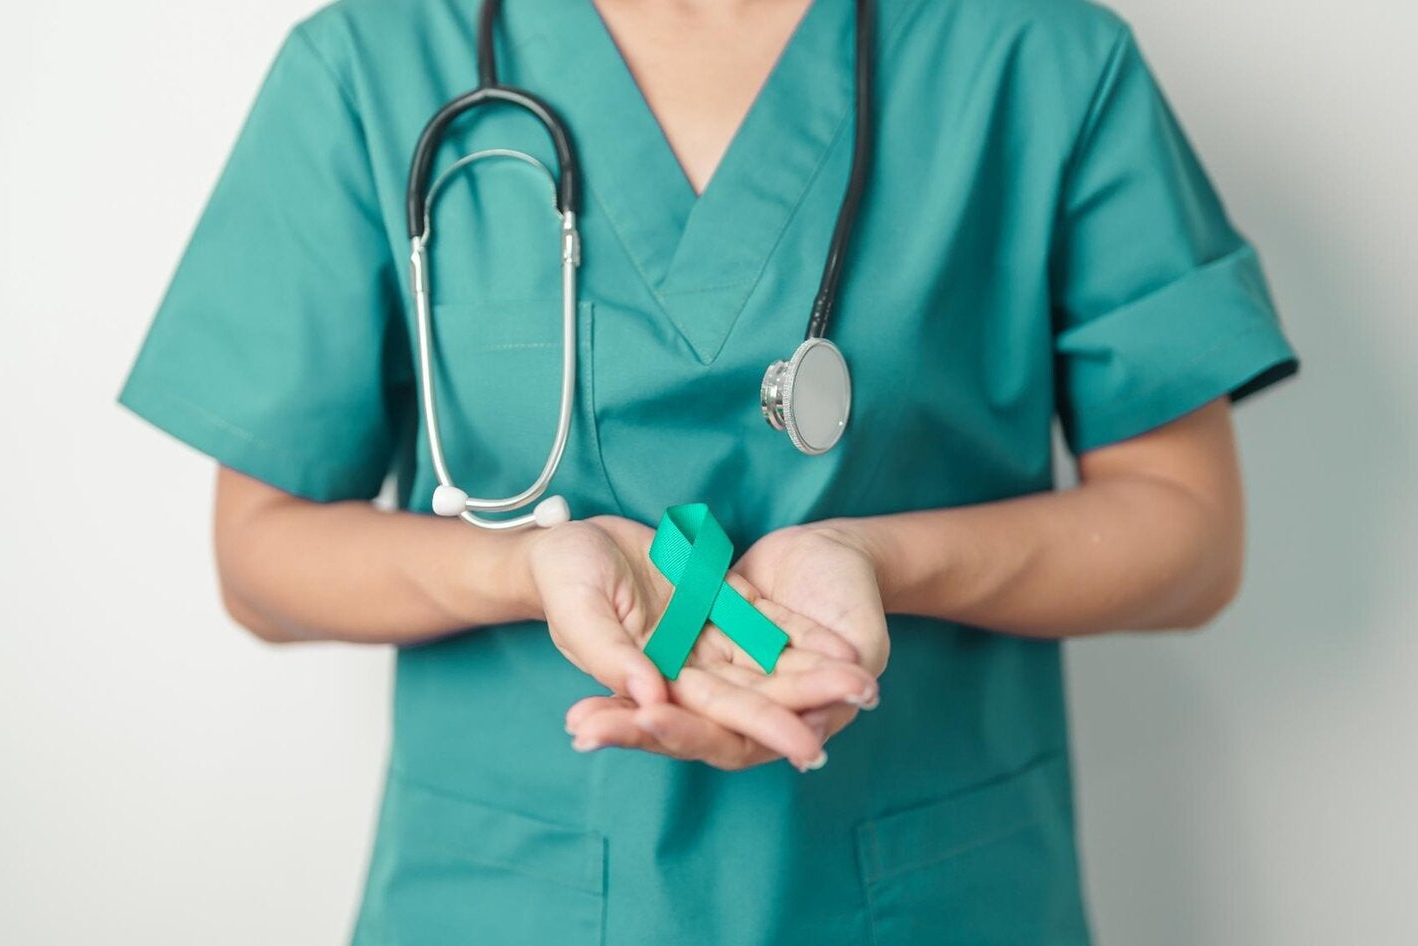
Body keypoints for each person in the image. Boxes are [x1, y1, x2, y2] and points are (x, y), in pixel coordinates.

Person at [118, 0, 1300, 942]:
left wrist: (879, 558)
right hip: (505, 905)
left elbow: (1188, 536)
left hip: (926, 900)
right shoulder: (371, 62)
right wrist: (531, 569)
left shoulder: (1038, 58)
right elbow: (261, 559)